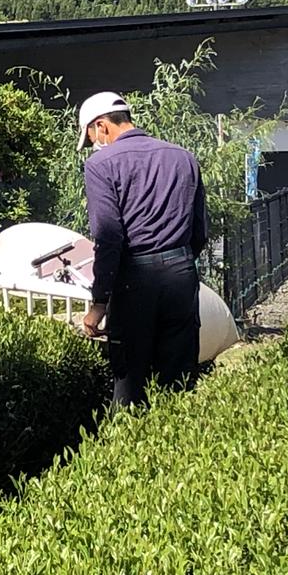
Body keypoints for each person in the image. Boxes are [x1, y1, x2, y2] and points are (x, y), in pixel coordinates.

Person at [77, 92, 208, 405]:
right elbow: (200, 229)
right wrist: (178, 262)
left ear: (101, 126)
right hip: (181, 275)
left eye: (92, 137)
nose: (94, 144)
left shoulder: (100, 164)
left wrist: (99, 303)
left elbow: (109, 237)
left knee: (129, 386)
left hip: (134, 281)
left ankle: (128, 436)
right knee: (178, 383)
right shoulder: (183, 157)